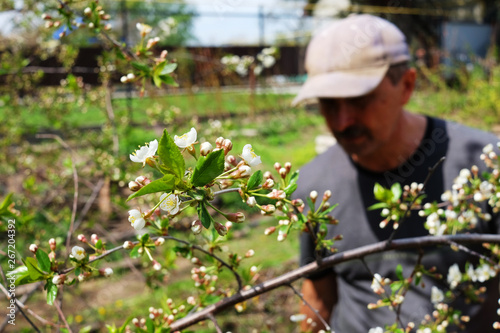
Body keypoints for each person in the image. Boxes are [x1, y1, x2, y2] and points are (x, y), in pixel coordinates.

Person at [292, 14, 500, 332]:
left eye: (359, 100)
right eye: (328, 104)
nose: (343, 121)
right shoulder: (315, 188)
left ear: (406, 86)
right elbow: (318, 297)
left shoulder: (485, 166)